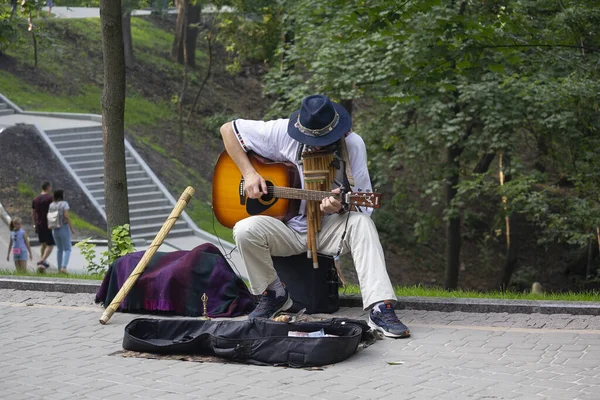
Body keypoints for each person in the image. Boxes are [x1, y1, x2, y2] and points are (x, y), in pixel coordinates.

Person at [219, 94, 410, 338]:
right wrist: (249, 173)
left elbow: (365, 204)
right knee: (245, 229)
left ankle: (380, 307)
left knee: (362, 224)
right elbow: (228, 130)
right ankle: (274, 294)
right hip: (286, 228)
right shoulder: (280, 132)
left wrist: (340, 207)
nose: (316, 146)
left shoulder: (352, 146)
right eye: (310, 140)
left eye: (323, 140)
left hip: (327, 230)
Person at [48, 189, 74, 273]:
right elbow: (66, 216)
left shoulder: (51, 205)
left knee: (59, 249)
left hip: (54, 228)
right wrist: (71, 228)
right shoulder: (64, 204)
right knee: (68, 249)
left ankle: (59, 268)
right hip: (63, 227)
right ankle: (64, 267)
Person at [32, 181, 55, 272]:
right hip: (49, 224)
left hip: (39, 224)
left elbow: (33, 213)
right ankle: (42, 260)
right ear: (48, 187)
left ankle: (42, 264)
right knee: (51, 244)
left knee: (44, 244)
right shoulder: (50, 198)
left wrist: (35, 224)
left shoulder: (36, 199)